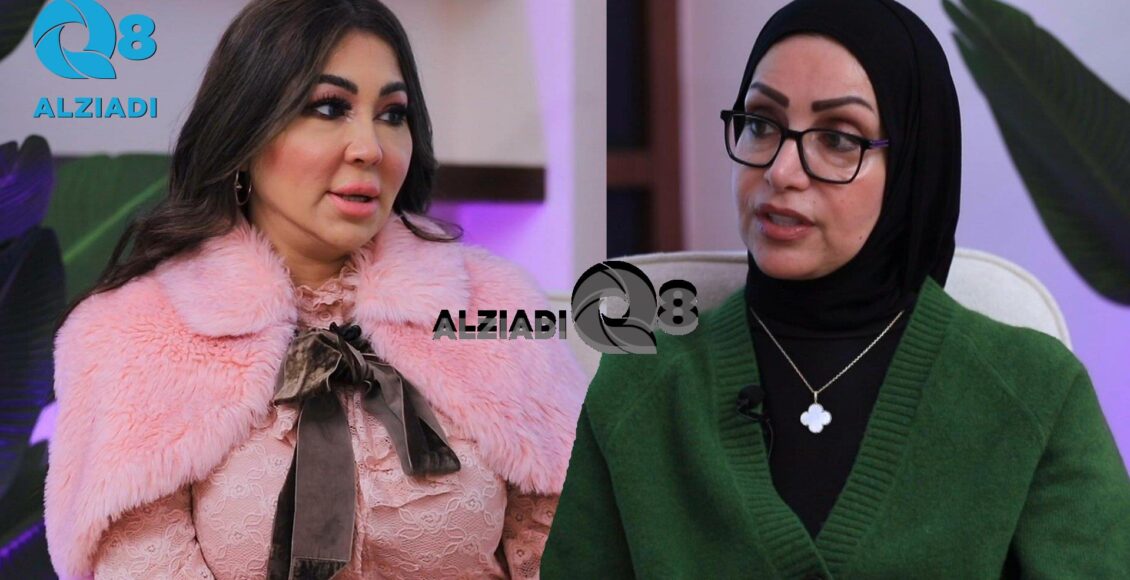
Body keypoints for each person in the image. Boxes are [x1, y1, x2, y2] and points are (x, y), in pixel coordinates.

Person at [542, 0, 1130, 577]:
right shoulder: (640, 389)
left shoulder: (1035, 392)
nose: (780, 171)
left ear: (912, 167)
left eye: (839, 138)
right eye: (760, 124)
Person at [45, 1, 585, 578]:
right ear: (245, 134)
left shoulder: (493, 307)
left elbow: (565, 543)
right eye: (330, 108)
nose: (370, 147)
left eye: (393, 114)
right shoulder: (133, 333)